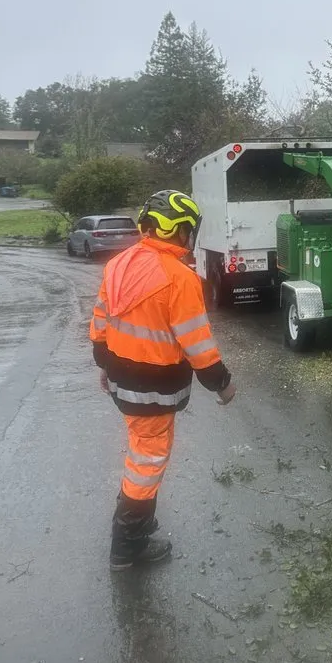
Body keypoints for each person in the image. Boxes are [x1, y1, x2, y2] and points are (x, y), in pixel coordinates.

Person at [90, 190, 236, 570]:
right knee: (147, 461)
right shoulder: (178, 277)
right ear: (178, 229)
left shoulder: (118, 264)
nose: (190, 237)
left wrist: (103, 364)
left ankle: (139, 519)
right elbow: (197, 342)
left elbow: (101, 320)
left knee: (144, 449)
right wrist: (222, 383)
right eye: (189, 229)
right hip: (152, 389)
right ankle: (127, 545)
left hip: (124, 382)